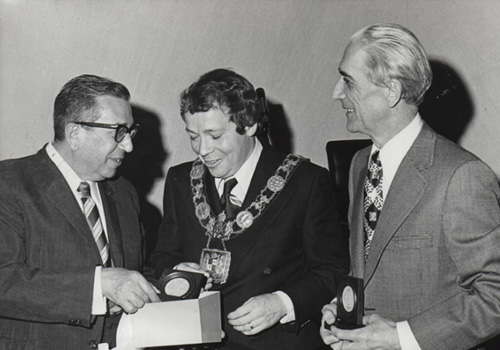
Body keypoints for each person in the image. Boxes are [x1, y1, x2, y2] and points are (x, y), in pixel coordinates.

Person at [320, 23, 500, 350]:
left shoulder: (462, 176)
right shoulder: (360, 163)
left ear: (391, 90)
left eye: (347, 80)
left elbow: (495, 295)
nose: (336, 92)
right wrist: (343, 311)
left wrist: (401, 338)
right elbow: (369, 269)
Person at [151, 68, 349, 350]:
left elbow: (333, 270)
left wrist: (282, 303)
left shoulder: (305, 181)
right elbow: (163, 256)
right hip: (198, 341)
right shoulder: (180, 179)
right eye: (194, 136)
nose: (202, 150)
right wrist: (176, 274)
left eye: (215, 135)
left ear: (250, 125)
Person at [0, 74, 160, 349]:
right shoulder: (9, 183)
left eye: (130, 132)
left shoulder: (124, 192)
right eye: (118, 132)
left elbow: (134, 273)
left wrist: (175, 280)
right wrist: (98, 286)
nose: (129, 146)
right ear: (75, 133)